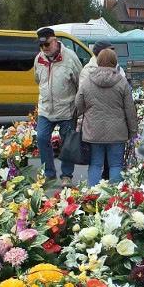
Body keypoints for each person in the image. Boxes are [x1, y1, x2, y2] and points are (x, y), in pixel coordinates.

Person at [76, 48, 137, 187]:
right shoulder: (122, 82)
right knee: (116, 164)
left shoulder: (87, 81)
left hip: (93, 130)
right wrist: (133, 131)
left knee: (95, 164)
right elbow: (130, 109)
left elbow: (78, 104)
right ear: (114, 62)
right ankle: (114, 198)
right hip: (117, 130)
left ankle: (92, 195)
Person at [33, 27, 83, 187]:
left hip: (66, 109)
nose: (44, 48)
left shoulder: (70, 58)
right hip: (46, 109)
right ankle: (49, 173)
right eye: (41, 46)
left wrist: (78, 106)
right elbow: (37, 79)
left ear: (55, 41)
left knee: (67, 143)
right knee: (41, 138)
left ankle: (66, 176)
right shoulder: (39, 59)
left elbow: (80, 82)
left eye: (47, 44)